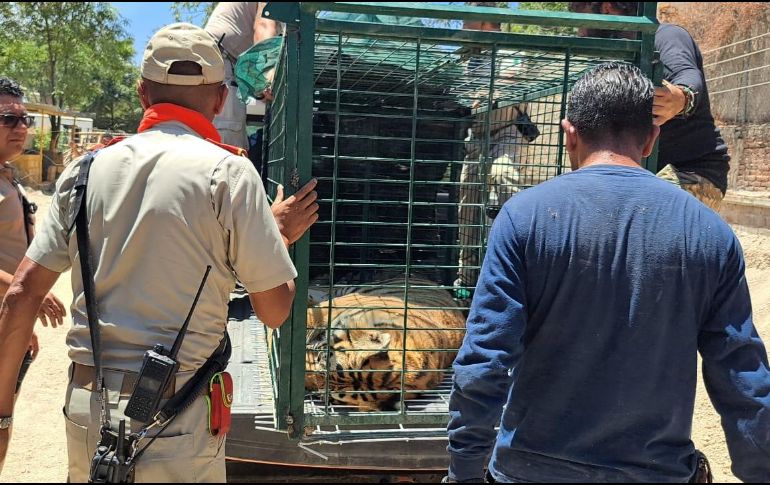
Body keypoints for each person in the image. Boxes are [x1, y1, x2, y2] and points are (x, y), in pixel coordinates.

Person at [0, 23, 317, 481]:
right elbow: (273, 309)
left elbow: (21, 294)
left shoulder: (83, 171)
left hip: (88, 412)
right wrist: (274, 237)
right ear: (220, 99)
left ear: (142, 92)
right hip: (179, 420)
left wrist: (3, 414)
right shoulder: (230, 174)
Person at [445, 62, 770, 483]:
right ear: (652, 138)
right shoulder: (709, 232)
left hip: (530, 472)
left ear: (569, 134)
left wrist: (465, 471)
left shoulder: (523, 218)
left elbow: (485, 360)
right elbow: (741, 372)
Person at [569, 1, 730, 211]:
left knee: (634, 214)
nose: (578, 28)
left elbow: (688, 75)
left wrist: (681, 97)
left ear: (606, 7)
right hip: (642, 176)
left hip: (692, 172)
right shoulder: (613, 58)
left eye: (579, 12)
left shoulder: (666, 36)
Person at [455, 3, 538, 295]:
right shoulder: (469, 58)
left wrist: (486, 92)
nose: (463, 25)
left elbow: (509, 84)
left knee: (503, 177)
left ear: (484, 21)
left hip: (507, 133)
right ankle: (466, 277)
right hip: (477, 138)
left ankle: (513, 264)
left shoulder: (511, 51)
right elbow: (463, 96)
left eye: (467, 20)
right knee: (468, 201)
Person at [0, 77, 67, 397]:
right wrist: (27, 293)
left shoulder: (7, 174)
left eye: (24, 119)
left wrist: (17, 319)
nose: (20, 127)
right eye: (8, 119)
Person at [205, 2, 282, 147]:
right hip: (221, 60)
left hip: (221, 61)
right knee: (227, 146)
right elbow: (264, 25)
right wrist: (265, 75)